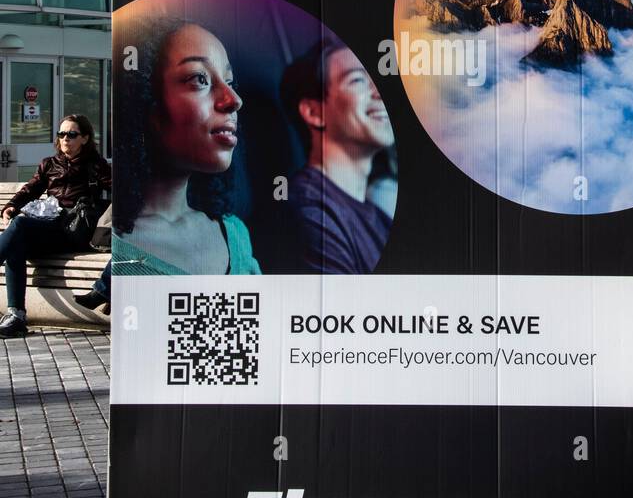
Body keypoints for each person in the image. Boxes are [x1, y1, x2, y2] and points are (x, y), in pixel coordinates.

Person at [112, 19, 260, 276]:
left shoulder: (234, 233)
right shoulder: (117, 246)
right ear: (147, 102)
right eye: (199, 79)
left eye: (230, 82)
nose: (234, 100)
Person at [280, 39, 395, 273]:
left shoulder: (378, 218)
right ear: (314, 112)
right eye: (358, 80)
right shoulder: (310, 211)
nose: (380, 93)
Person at [0, 115, 111, 336]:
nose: (65, 138)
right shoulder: (49, 164)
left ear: (85, 138)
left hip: (76, 231)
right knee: (16, 244)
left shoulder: (96, 166)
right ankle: (16, 316)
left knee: (20, 226)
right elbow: (30, 189)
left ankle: (16, 317)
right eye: (61, 134)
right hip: (51, 230)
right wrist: (11, 205)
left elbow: (124, 192)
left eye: (72, 134)